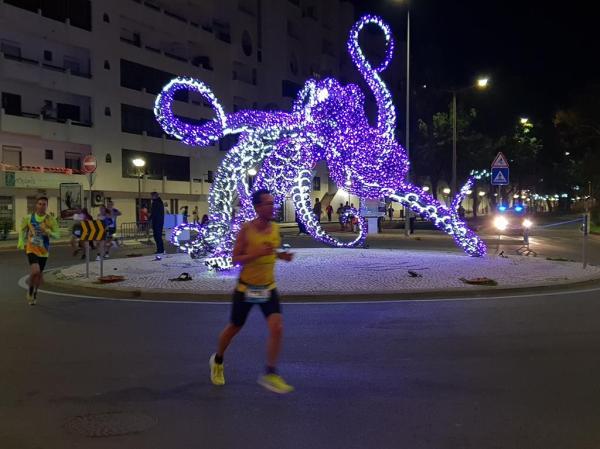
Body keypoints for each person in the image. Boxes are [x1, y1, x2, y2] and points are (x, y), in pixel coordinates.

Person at [209, 189, 295, 394]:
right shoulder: (246, 229)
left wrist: (282, 256)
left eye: (273, 203)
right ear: (257, 207)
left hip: (268, 287)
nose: (272, 207)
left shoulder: (275, 228)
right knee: (234, 327)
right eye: (268, 203)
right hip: (246, 288)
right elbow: (235, 259)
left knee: (277, 327)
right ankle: (217, 360)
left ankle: (270, 374)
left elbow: (270, 250)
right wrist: (255, 253)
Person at [17, 196, 60, 305]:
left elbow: (57, 235)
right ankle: (30, 290)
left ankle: (35, 291)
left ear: (47, 206)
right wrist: (21, 241)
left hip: (44, 251)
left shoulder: (50, 219)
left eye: (44, 204)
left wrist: (48, 232)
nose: (41, 206)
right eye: (39, 204)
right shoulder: (28, 217)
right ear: (36, 205)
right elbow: (22, 230)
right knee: (35, 271)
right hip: (31, 248)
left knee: (39, 275)